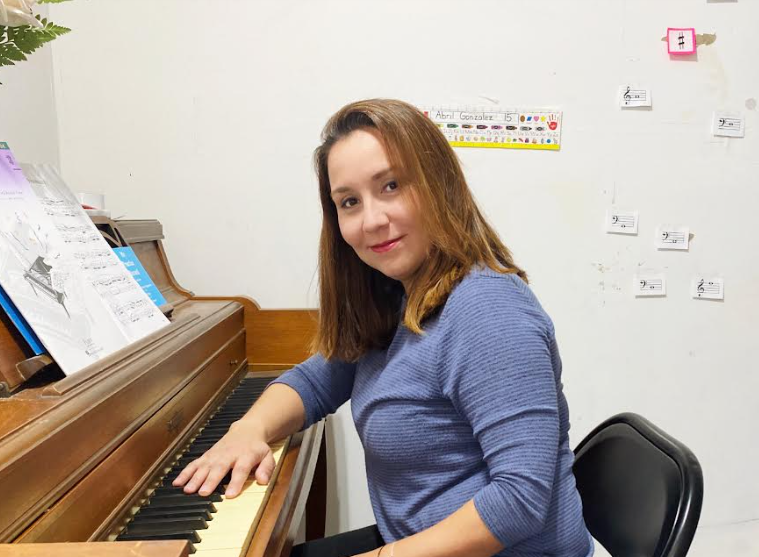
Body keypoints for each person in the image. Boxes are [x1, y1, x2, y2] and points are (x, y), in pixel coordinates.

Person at [173, 99, 594, 557]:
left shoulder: (488, 309)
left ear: (439, 185)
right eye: (349, 202)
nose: (371, 220)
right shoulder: (398, 295)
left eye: (391, 186)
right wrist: (248, 429)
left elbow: (520, 500)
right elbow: (317, 379)